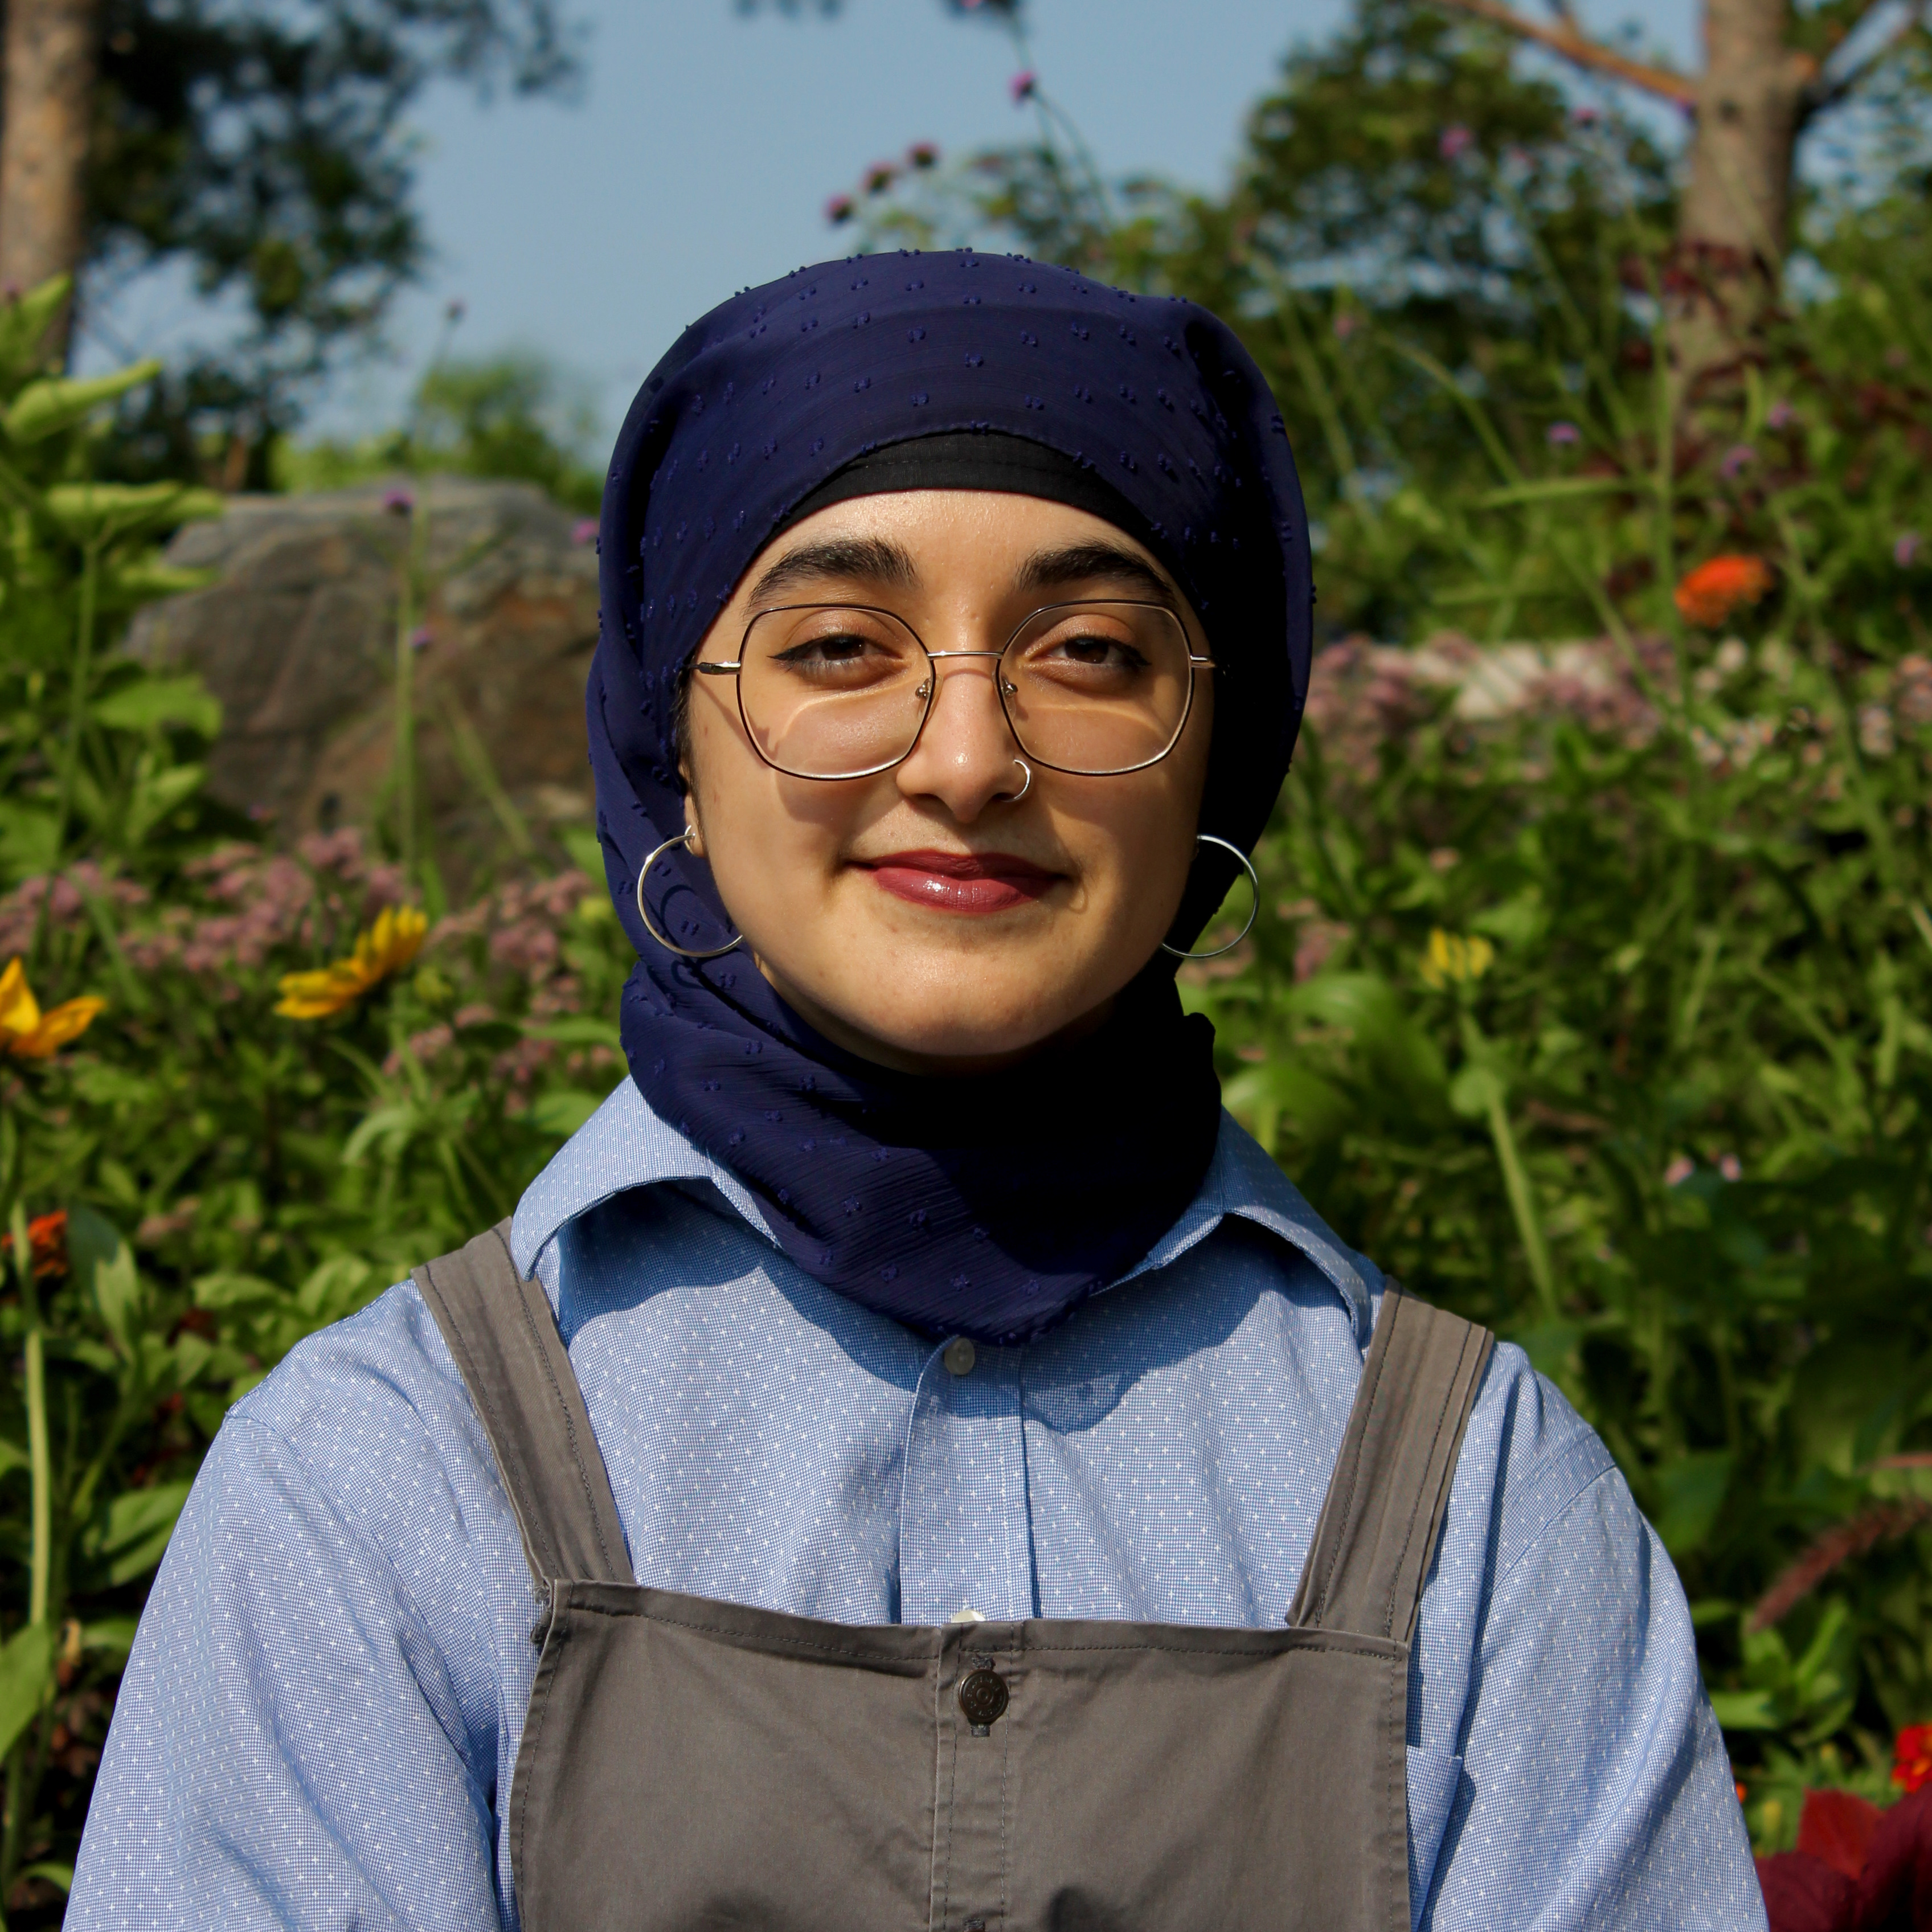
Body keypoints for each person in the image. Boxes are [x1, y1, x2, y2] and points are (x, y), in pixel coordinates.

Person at [68, 252, 1763, 1930]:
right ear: (674, 737)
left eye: (1093, 651)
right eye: (835, 650)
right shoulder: (382, 1476)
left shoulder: (1475, 1496)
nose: (968, 761)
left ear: (1222, 751)